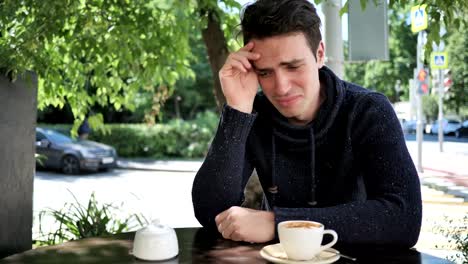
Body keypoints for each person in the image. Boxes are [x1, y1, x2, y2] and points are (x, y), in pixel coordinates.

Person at [192, 0, 422, 246]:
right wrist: (237, 109)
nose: (281, 87)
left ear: (320, 54)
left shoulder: (367, 110)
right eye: (265, 72)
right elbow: (211, 212)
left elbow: (404, 218)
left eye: (293, 66)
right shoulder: (254, 115)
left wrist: (278, 223)